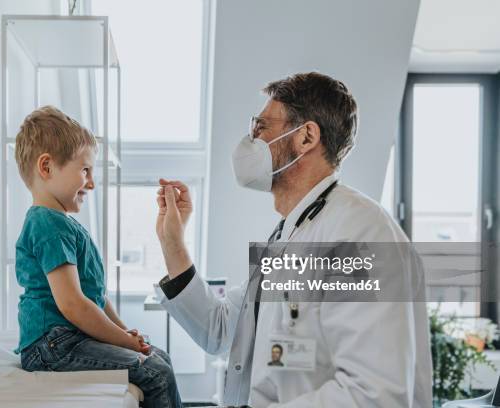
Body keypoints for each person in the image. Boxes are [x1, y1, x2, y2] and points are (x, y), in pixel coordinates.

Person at [155, 73, 432, 407]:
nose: (251, 140)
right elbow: (222, 328)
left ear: (306, 137)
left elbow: (373, 395)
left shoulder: (359, 233)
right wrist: (173, 240)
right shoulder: (291, 232)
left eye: (261, 127)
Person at [13, 106, 182, 408]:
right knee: (155, 372)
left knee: (159, 358)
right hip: (52, 346)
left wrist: (124, 332)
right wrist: (122, 341)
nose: (91, 183)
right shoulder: (47, 224)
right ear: (47, 167)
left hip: (68, 338)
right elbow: (74, 304)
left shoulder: (63, 224)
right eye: (85, 170)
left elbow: (95, 296)